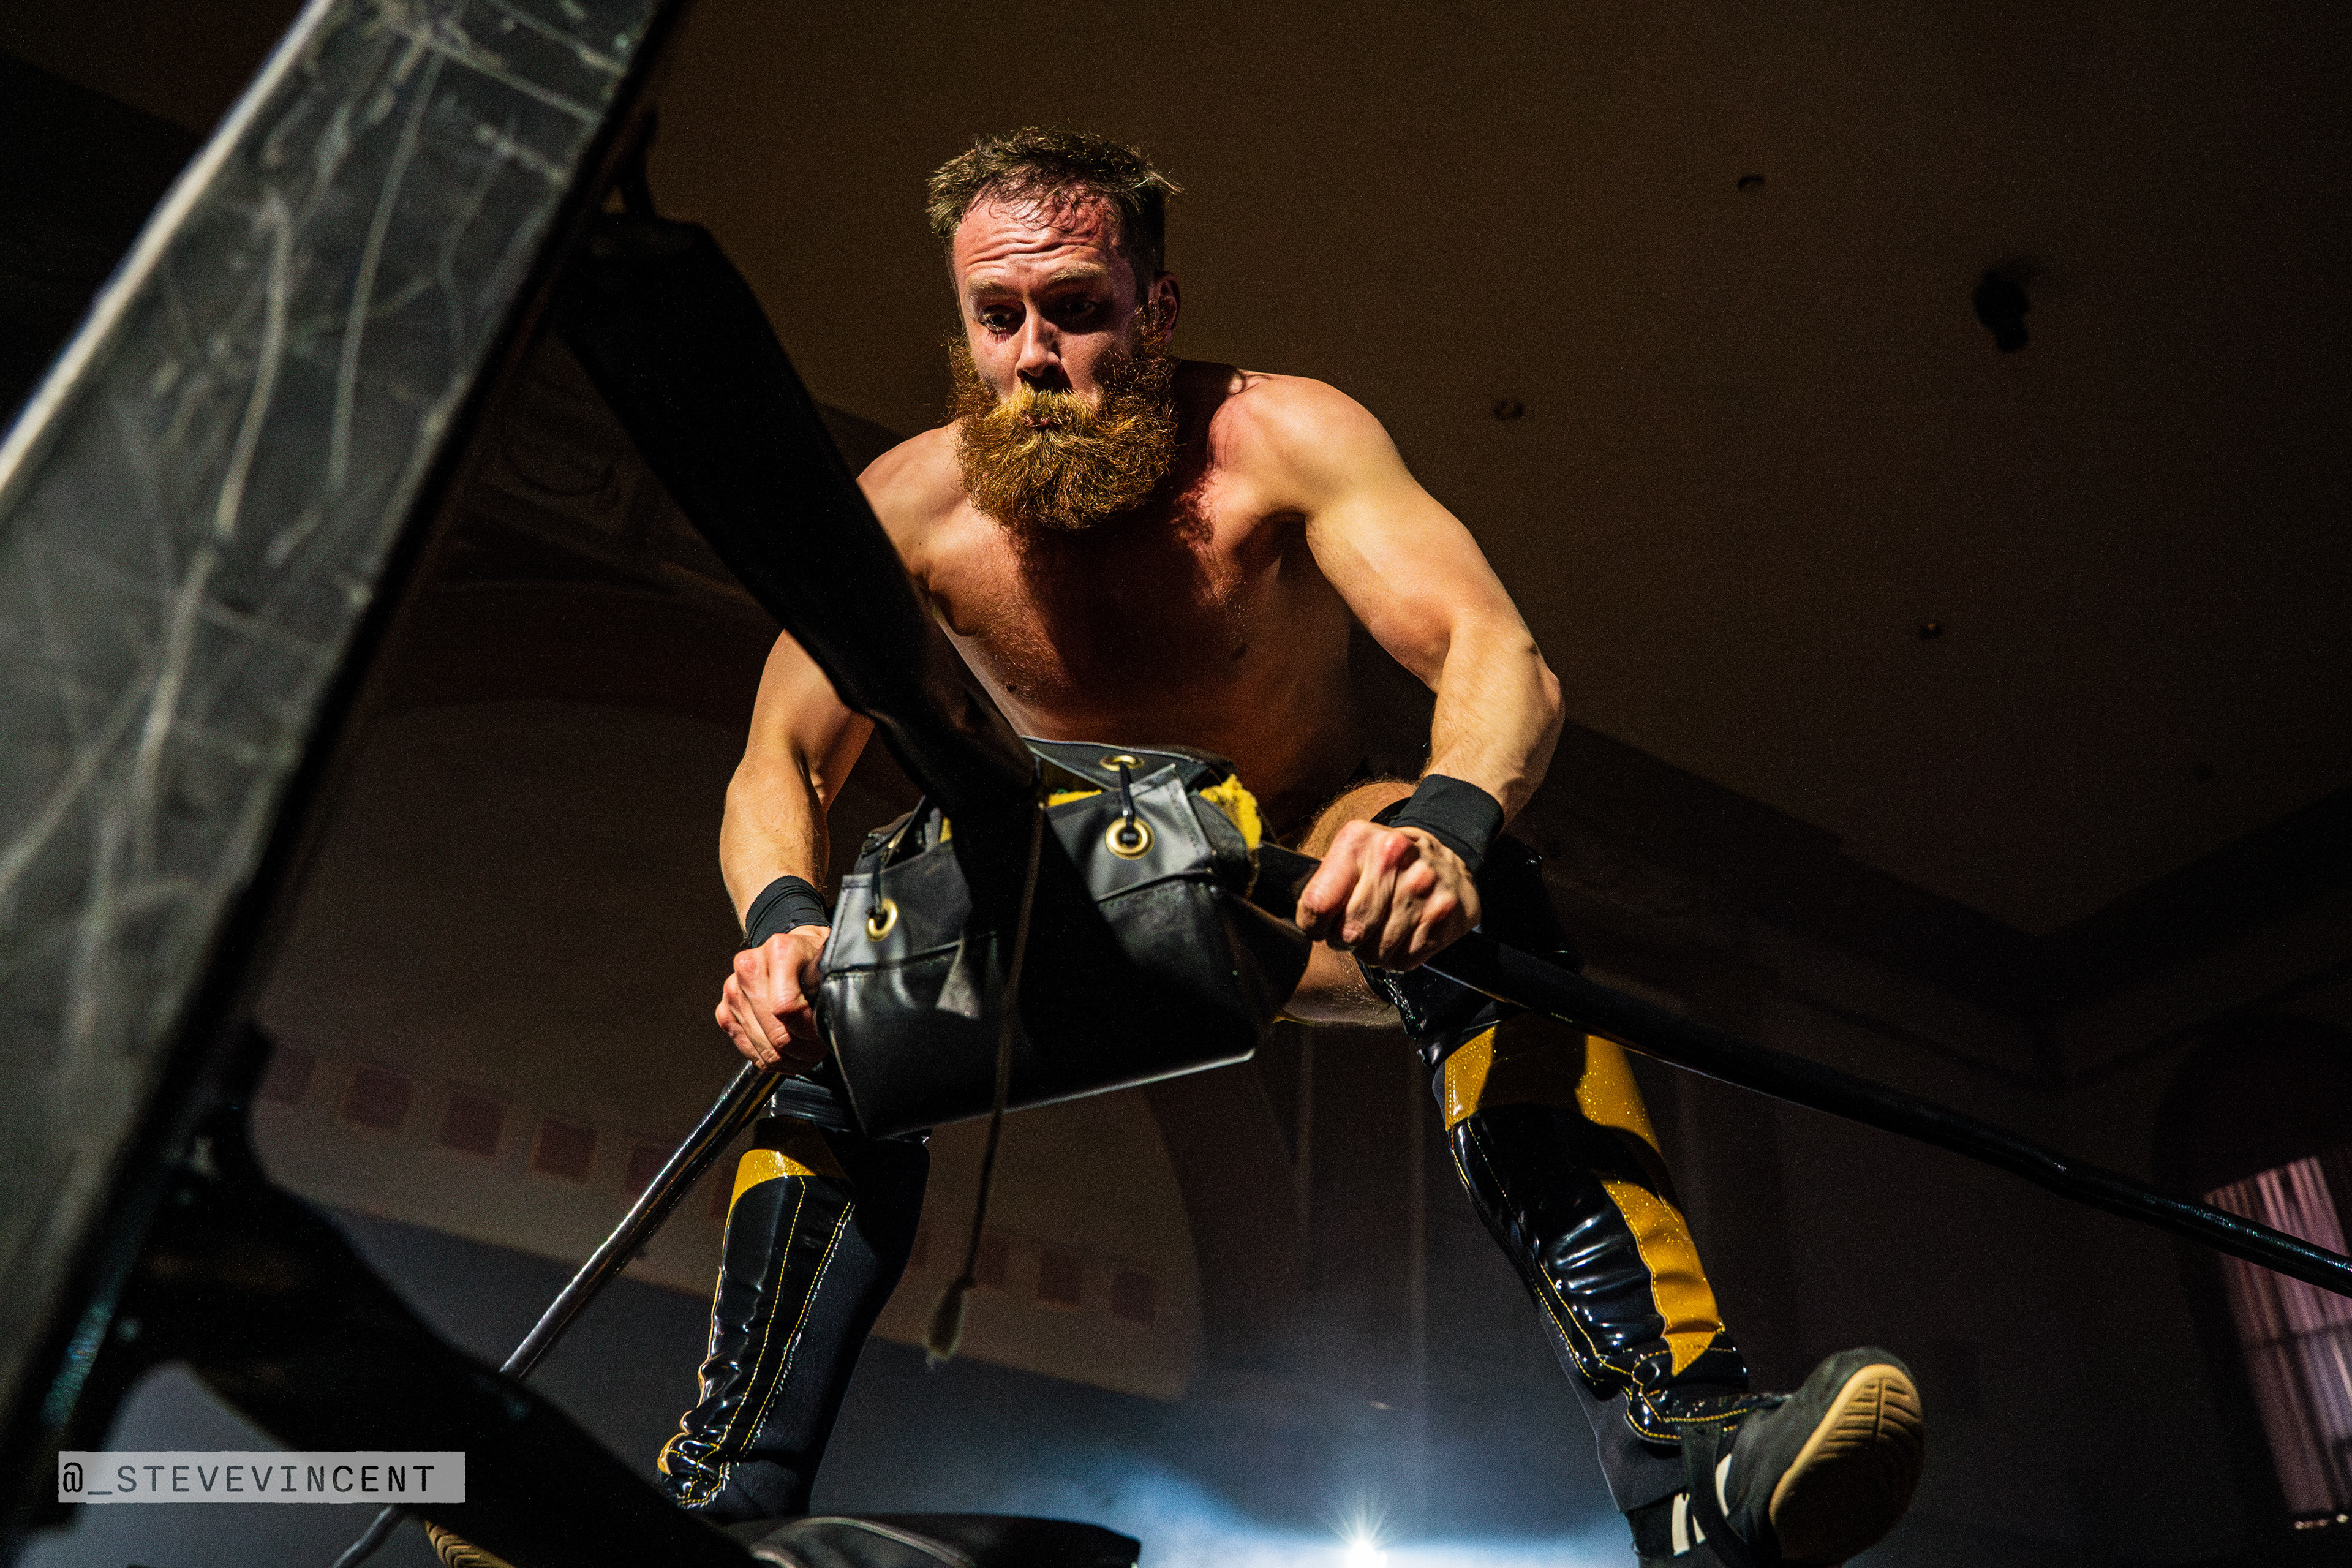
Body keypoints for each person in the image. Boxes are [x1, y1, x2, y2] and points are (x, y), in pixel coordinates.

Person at [662, 127, 1924, 1568]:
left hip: (1287, 887)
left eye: (1075, 306)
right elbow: (778, 754)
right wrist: (779, 916)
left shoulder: (1282, 438)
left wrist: (1449, 825)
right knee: (823, 1010)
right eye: (996, 317)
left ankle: (1689, 1456)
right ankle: (710, 1510)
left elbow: (1491, 647)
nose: (1034, 356)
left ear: (1158, 309)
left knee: (1485, 899)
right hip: (1051, 912)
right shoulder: (907, 507)